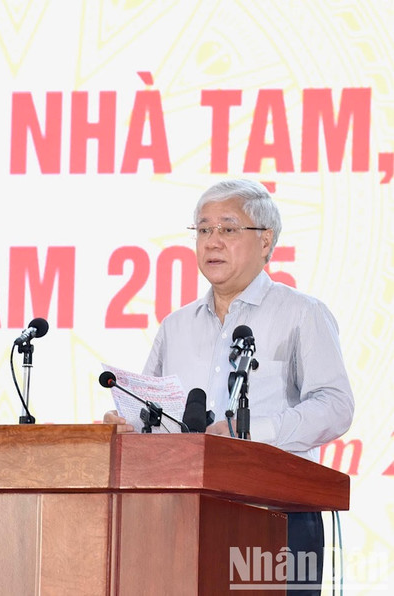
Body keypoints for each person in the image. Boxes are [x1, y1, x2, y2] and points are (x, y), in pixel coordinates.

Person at [104, 179, 354, 595]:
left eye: (228, 228)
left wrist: (250, 432)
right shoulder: (176, 326)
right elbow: (156, 410)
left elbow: (335, 406)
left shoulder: (302, 314)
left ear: (265, 241)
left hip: (277, 514)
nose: (212, 242)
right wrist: (131, 424)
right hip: (183, 517)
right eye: (203, 230)